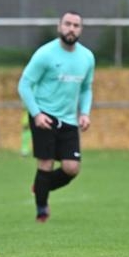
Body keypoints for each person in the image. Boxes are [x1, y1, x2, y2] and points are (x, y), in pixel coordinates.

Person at [18, 11, 95, 222]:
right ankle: (41, 209)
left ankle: (40, 186)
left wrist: (85, 113)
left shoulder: (87, 57)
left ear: (81, 29)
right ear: (59, 26)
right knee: (46, 164)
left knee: (72, 168)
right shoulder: (45, 54)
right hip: (45, 117)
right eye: (67, 24)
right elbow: (24, 84)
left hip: (69, 120)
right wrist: (36, 114)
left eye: (76, 25)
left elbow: (87, 88)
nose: (71, 28)